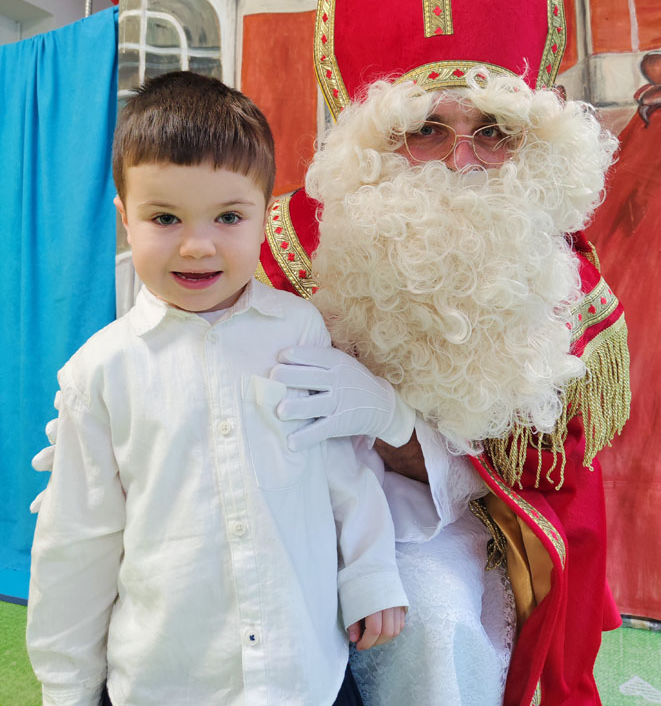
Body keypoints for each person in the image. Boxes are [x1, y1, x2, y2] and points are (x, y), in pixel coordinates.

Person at [255, 0, 631, 705]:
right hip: (296, 501)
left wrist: (400, 431)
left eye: (491, 131)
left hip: (454, 525)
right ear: (378, 137)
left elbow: (552, 479)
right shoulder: (287, 238)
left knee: (431, 624)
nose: (461, 159)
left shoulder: (560, 276)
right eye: (427, 130)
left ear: (530, 141)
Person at [26, 71, 407, 706]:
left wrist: (371, 575)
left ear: (264, 215)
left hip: (303, 673)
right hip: (168, 679)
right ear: (125, 221)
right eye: (165, 218)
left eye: (228, 216)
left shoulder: (298, 329)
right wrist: (66, 688)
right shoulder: (102, 371)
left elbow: (343, 468)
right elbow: (76, 542)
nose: (198, 245)